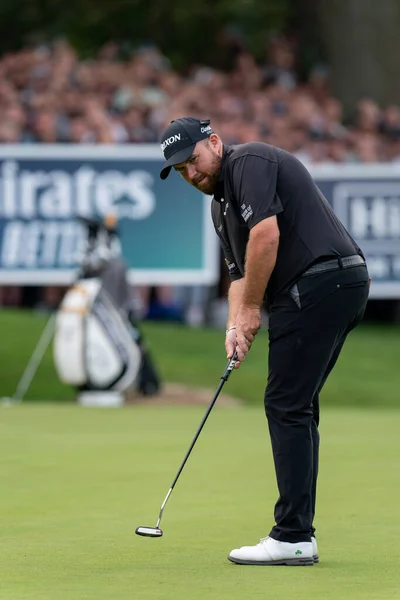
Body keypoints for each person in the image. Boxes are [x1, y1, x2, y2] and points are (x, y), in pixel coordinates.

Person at [159, 116, 370, 566]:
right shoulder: (221, 207)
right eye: (181, 171)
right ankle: (298, 532)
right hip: (335, 286)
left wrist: (253, 309)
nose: (191, 174)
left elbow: (265, 236)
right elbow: (239, 274)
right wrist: (236, 324)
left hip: (320, 282)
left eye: (193, 161)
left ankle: (293, 535)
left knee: (285, 404)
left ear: (214, 142)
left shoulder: (247, 162)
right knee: (297, 404)